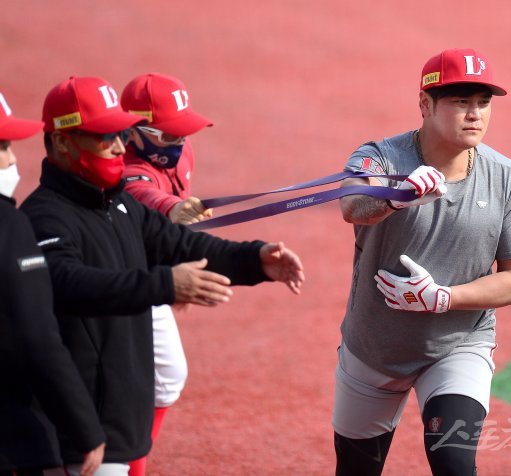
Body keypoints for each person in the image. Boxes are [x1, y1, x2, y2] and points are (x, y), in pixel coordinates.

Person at [20, 76, 304, 475]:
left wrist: (254, 260)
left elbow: (180, 245)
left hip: (111, 429)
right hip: (75, 441)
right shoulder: (44, 217)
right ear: (63, 142)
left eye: (121, 134)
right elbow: (68, 283)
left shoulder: (116, 205)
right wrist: (166, 285)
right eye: (105, 137)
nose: (119, 147)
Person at [333, 48, 511, 476]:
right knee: (356, 470)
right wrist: (397, 196)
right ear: (425, 104)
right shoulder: (381, 158)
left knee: (454, 462)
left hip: (458, 346)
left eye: (483, 102)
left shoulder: (507, 178)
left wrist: (442, 298)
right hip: (374, 347)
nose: (475, 114)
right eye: (461, 101)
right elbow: (352, 205)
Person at [0, 91, 105, 475]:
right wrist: (85, 427)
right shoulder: (9, 225)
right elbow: (36, 337)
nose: (13, 159)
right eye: (3, 146)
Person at [119, 72, 214, 476]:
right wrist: (173, 210)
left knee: (160, 377)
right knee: (157, 378)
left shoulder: (181, 151)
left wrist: (171, 271)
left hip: (147, 275)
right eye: (169, 135)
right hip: (119, 284)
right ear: (134, 131)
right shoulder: (124, 167)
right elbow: (141, 192)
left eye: (183, 132)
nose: (180, 141)